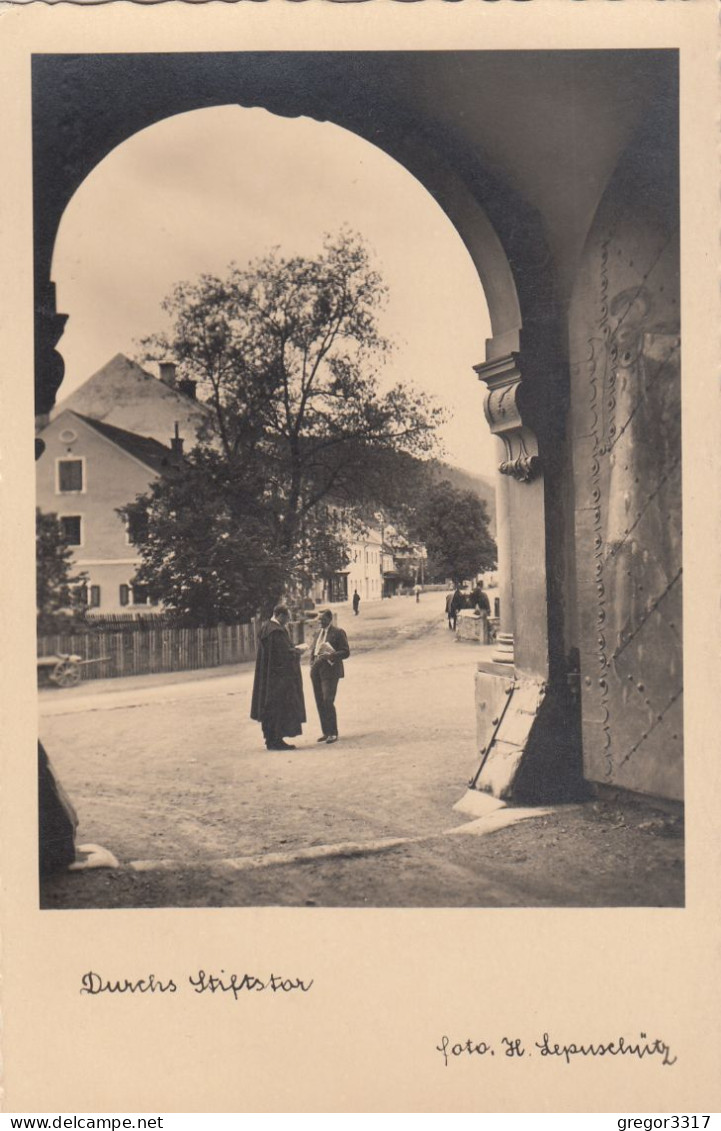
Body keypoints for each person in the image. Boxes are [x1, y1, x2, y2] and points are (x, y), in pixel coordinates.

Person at [250, 604, 306, 751]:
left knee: (268, 707)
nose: (287, 621)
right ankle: (276, 740)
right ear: (280, 615)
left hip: (267, 676)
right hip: (279, 678)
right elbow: (283, 655)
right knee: (279, 707)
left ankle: (270, 739)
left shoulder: (266, 628)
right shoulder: (277, 632)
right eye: (287, 618)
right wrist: (297, 652)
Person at [310, 608, 350, 745]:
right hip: (316, 671)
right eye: (319, 619)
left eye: (323, 619)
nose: (320, 621)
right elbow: (313, 651)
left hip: (331, 671)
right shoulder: (317, 634)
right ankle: (326, 732)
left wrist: (332, 655)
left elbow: (346, 652)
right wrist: (311, 663)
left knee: (328, 700)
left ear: (330, 619)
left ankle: (333, 732)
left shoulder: (338, 633)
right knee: (320, 701)